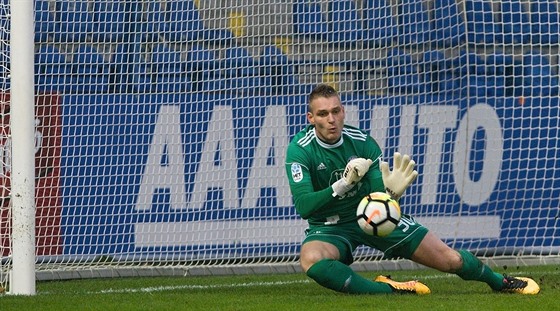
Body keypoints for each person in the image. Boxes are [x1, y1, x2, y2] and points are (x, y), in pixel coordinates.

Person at [284, 84, 540, 295]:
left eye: (335, 111)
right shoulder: (300, 150)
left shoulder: (363, 143)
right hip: (330, 226)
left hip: (370, 216)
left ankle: (500, 282)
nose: (331, 119)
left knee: (451, 260)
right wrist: (343, 184)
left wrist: (390, 197)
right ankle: (387, 290)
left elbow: (376, 197)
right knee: (312, 259)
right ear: (311, 118)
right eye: (322, 114)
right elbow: (305, 206)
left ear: (343, 111)